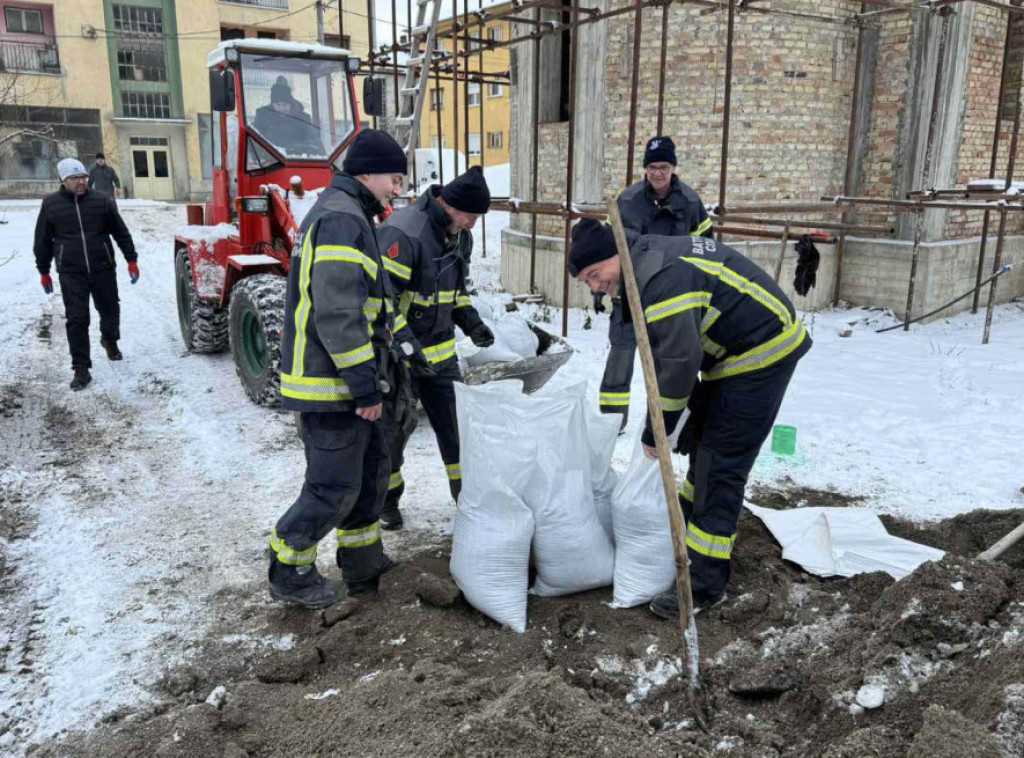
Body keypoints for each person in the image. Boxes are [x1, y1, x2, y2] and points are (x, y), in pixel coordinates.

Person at [567, 219, 810, 620]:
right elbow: (674, 351)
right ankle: (690, 522)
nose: (595, 287)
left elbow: (678, 364)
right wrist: (689, 412)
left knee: (721, 464)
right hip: (728, 354)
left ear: (616, 255)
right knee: (703, 444)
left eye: (595, 274)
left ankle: (704, 585)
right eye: (587, 281)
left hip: (759, 354)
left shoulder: (661, 280)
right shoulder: (645, 262)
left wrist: (656, 429)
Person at [268, 130, 408, 609]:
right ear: (367, 173)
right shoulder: (341, 220)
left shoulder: (349, 214)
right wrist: (366, 388)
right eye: (393, 177)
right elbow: (339, 314)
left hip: (344, 383)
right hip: (331, 385)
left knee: (369, 475)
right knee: (333, 486)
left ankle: (362, 561)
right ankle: (288, 567)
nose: (397, 187)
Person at [376, 167, 494, 530]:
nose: (472, 225)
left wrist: (471, 322)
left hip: (441, 357)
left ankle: (467, 500)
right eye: (469, 216)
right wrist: (406, 344)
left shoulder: (460, 238)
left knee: (457, 431)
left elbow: (455, 293)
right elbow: (382, 302)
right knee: (394, 432)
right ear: (449, 204)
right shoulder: (404, 232)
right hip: (401, 357)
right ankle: (387, 502)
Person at [598, 136, 713, 431]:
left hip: (671, 299)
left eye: (663, 166)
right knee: (620, 355)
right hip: (629, 293)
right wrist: (607, 284)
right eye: (651, 167)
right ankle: (612, 422)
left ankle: (669, 420)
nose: (657, 173)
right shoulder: (627, 201)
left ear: (673, 167)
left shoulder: (689, 203)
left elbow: (706, 248)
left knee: (669, 360)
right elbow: (607, 247)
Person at [34, 158, 140, 391]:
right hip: (71, 271)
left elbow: (120, 231)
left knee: (110, 309)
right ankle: (81, 368)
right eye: (75, 178)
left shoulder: (101, 201)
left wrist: (131, 259)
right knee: (77, 318)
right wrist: (44, 271)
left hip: (102, 266)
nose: (81, 182)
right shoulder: (51, 205)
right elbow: (42, 240)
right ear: (63, 181)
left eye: (83, 177)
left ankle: (109, 340)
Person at [252, 76, 323, 156]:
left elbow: (315, 142)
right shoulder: (263, 117)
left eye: (285, 104)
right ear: (272, 104)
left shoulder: (302, 119)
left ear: (291, 104)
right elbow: (254, 143)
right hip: (270, 162)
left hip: (298, 161)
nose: (281, 108)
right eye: (278, 105)